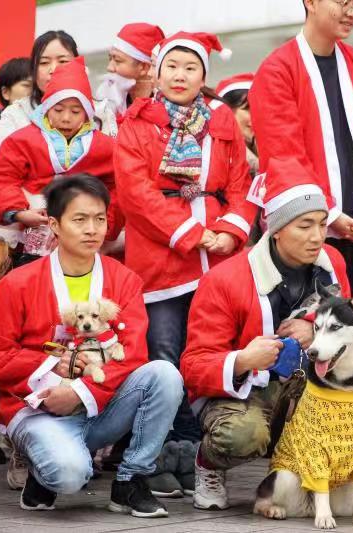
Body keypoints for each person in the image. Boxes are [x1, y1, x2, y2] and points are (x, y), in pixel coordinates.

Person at [180, 156, 353, 515]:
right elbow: (193, 364)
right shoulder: (225, 280)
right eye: (304, 225)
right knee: (243, 435)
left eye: (321, 223)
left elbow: (346, 327)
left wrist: (314, 324)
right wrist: (242, 360)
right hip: (250, 392)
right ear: (276, 228)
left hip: (309, 385)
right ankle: (208, 466)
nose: (317, 236)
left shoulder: (332, 259)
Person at [0, 175, 183, 518]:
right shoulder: (18, 283)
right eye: (80, 219)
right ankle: (44, 469)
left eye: (100, 219)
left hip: (99, 403)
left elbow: (132, 353)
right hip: (37, 407)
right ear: (54, 225)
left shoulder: (123, 280)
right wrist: (50, 370)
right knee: (70, 474)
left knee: (163, 374)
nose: (92, 229)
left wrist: (80, 392)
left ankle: (131, 479)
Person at [115, 30, 254, 497]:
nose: (180, 75)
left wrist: (231, 231)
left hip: (216, 257)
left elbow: (240, 186)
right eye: (172, 65)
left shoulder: (222, 121)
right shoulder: (138, 121)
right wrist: (193, 235)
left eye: (190, 67)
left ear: (203, 76)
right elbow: (136, 194)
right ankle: (154, 453)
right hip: (161, 258)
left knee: (210, 351)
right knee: (163, 353)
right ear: (156, 71)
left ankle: (198, 448)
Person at [250, 0, 353, 300]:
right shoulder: (277, 69)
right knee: (311, 335)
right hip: (304, 232)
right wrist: (330, 215)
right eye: (343, 2)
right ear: (310, 2)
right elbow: (285, 156)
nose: (352, 13)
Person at [0, 57, 121, 265]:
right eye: (58, 109)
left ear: (87, 113)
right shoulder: (22, 139)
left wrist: (105, 224)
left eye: (76, 111)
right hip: (29, 237)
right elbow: (3, 178)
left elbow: (118, 188)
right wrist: (20, 212)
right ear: (46, 107)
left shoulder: (105, 146)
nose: (66, 118)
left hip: (84, 237)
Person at [0, 30, 78, 151]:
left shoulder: (100, 111)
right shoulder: (15, 114)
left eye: (63, 61)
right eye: (44, 62)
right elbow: (4, 166)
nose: (53, 69)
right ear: (34, 71)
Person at [95, 23, 165, 137]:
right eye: (110, 59)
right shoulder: (110, 103)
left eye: (117, 61)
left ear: (144, 67)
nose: (109, 68)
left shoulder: (164, 108)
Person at [214, 73, 258, 176]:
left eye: (260, 108)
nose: (257, 116)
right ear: (226, 111)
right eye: (247, 108)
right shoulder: (214, 156)